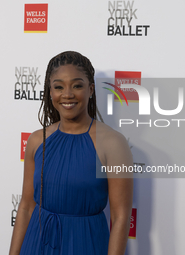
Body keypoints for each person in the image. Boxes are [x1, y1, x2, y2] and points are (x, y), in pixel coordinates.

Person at [9, 51, 134, 255]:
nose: (67, 94)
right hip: (37, 243)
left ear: (91, 89)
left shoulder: (113, 143)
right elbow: (25, 207)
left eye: (77, 85)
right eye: (59, 87)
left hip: (86, 244)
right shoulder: (36, 140)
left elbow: (120, 217)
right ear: (50, 92)